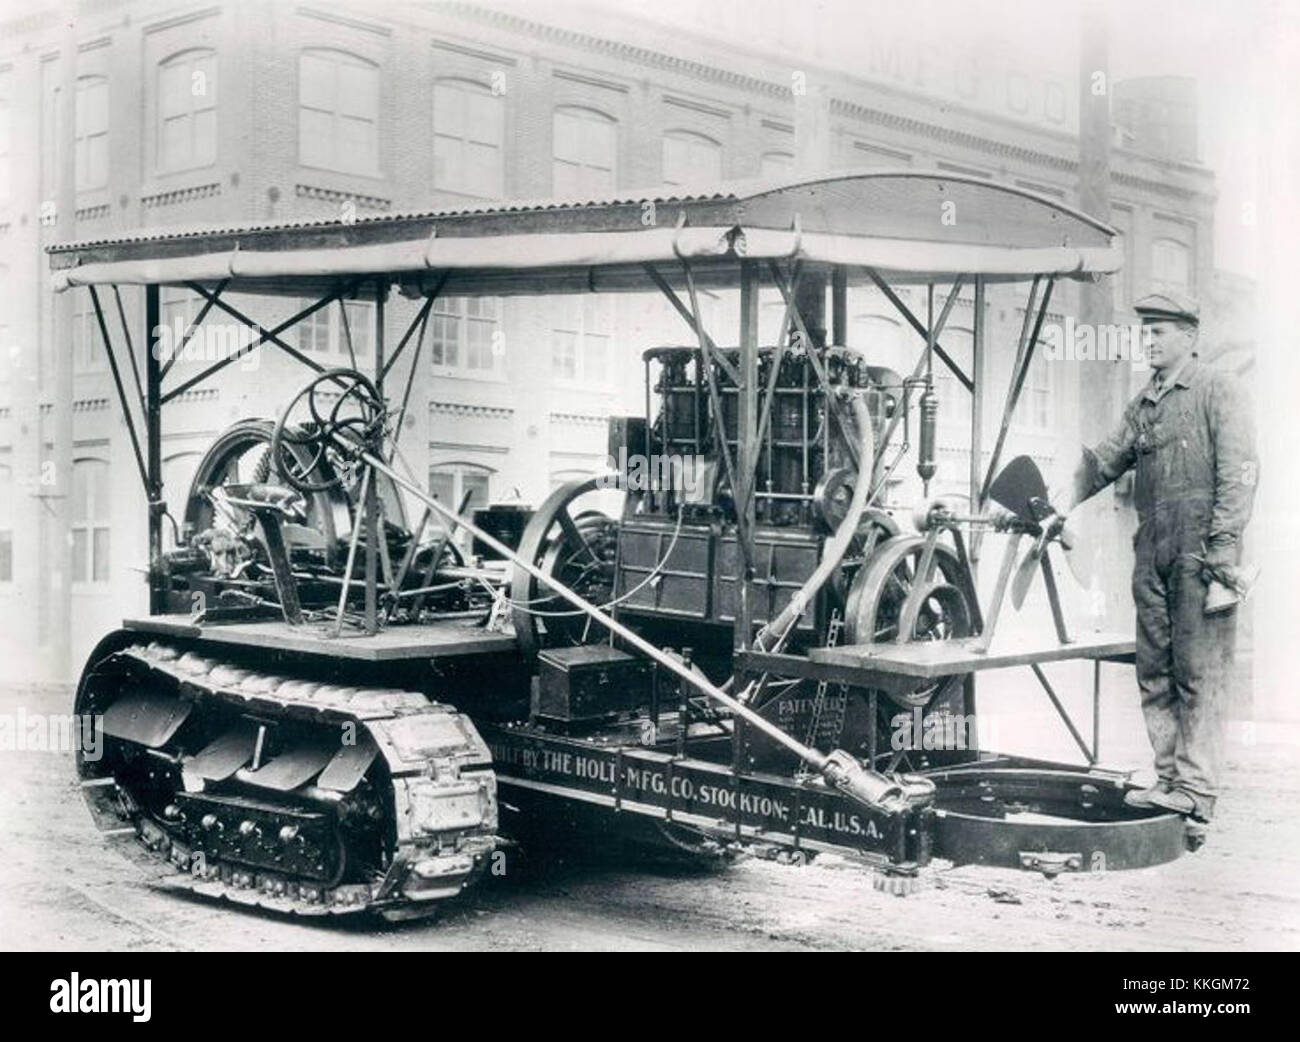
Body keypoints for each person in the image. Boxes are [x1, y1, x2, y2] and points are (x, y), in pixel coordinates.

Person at [1055, 291, 1257, 825]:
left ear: (1189, 337)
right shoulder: (1145, 402)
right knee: (1155, 670)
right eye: (1146, 331)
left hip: (1199, 550)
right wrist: (1060, 501)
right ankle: (1169, 778)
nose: (1149, 340)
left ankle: (1197, 787)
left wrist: (1222, 554)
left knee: (1199, 671)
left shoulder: (1219, 389)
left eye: (1160, 332)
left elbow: (1239, 476)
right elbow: (1104, 461)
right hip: (1151, 547)